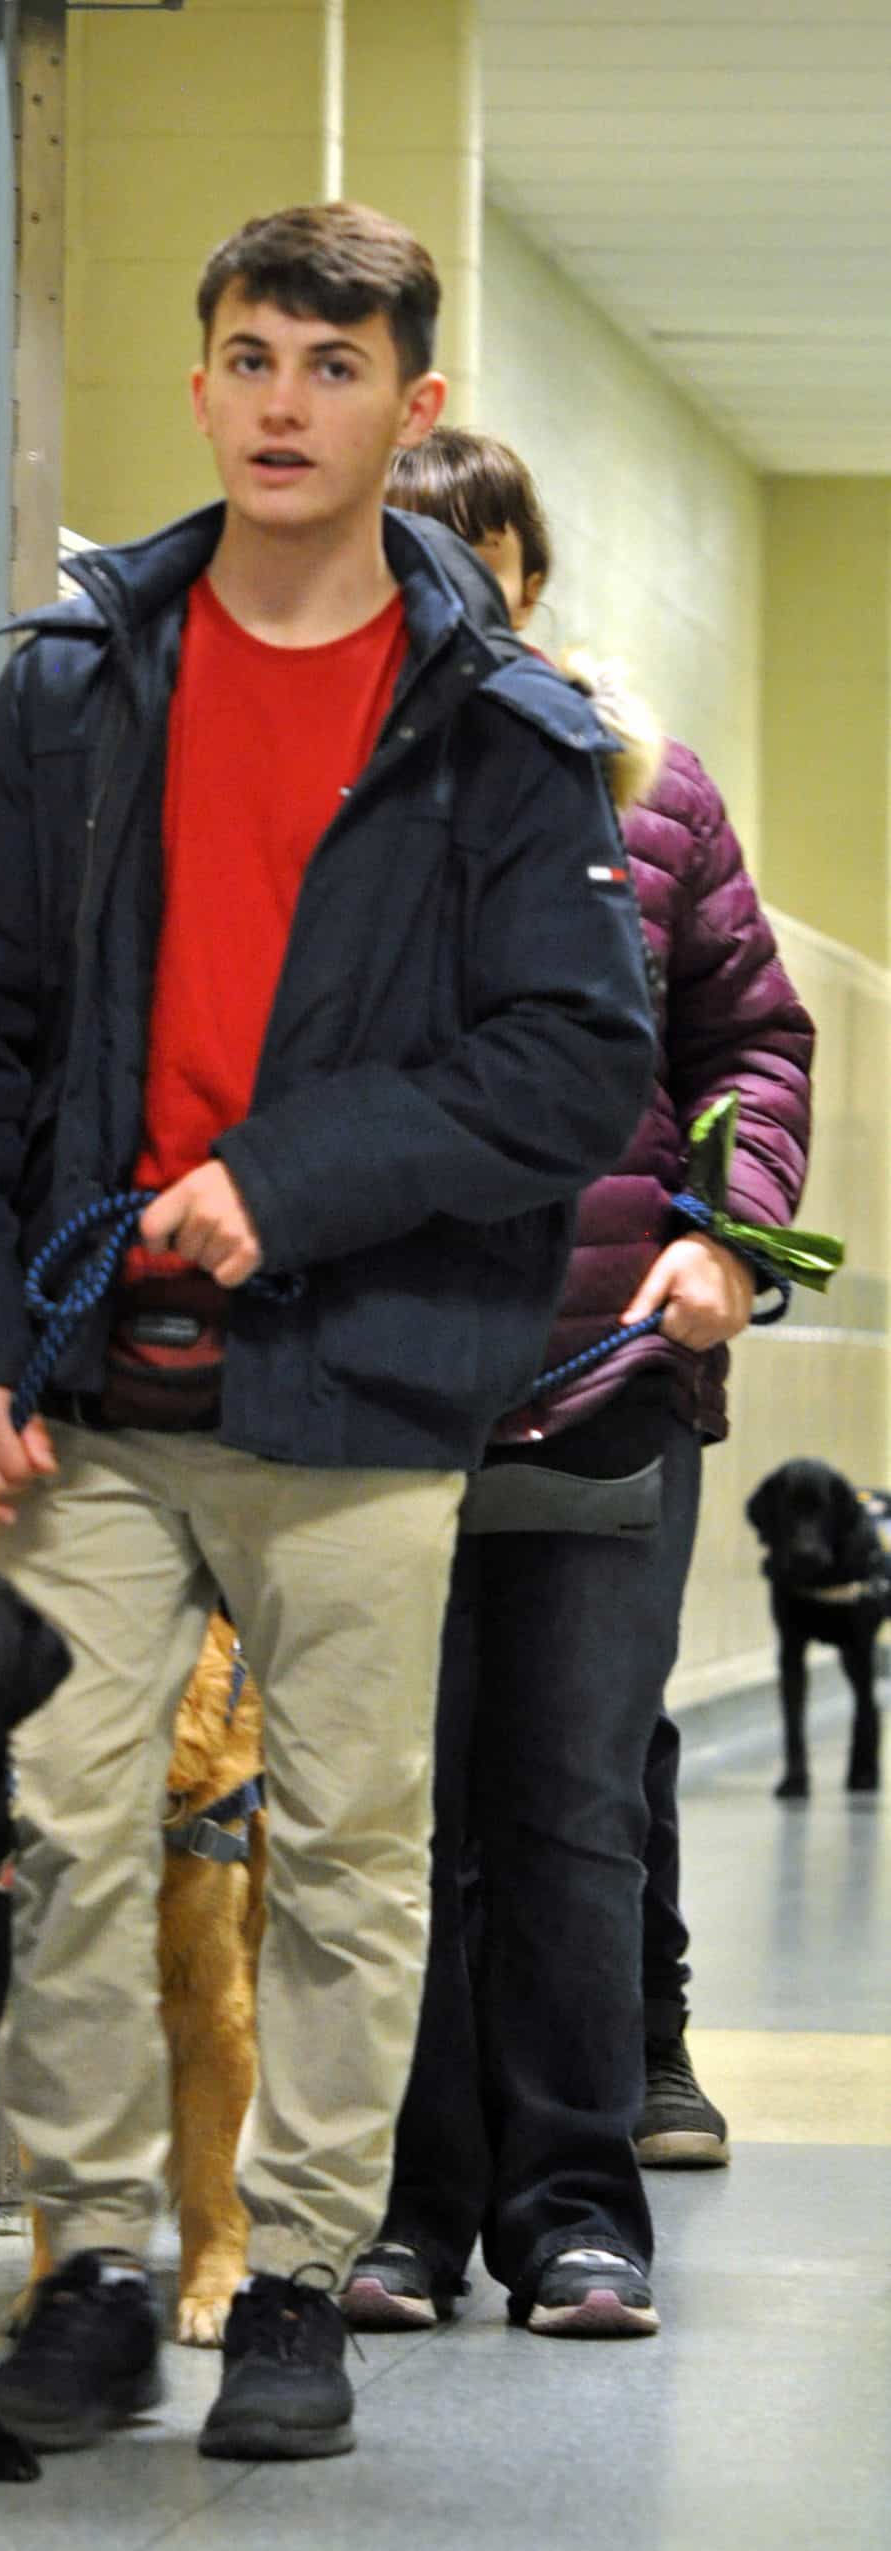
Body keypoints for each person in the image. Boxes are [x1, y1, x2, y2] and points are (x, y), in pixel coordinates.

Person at [0, 204, 655, 2464]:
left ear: (409, 409)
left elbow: (566, 1061)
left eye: (331, 365)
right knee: (58, 1820)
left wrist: (285, 1178)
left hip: (370, 1374)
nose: (282, 401)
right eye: (245, 357)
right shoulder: (70, 687)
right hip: (87, 1389)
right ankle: (98, 2263)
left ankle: (294, 2277)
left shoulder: (502, 732)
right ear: (199, 384)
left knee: (345, 1849)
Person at [341, 427, 813, 2339]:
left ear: (531, 580)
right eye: (412, 554)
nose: (453, 588)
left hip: (606, 1384)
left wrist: (728, 1233)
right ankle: (397, 2217)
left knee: (565, 1810)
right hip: (364, 1391)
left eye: (484, 554)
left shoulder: (654, 798)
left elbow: (753, 1047)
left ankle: (571, 2213)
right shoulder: (298, 787)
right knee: (387, 1815)